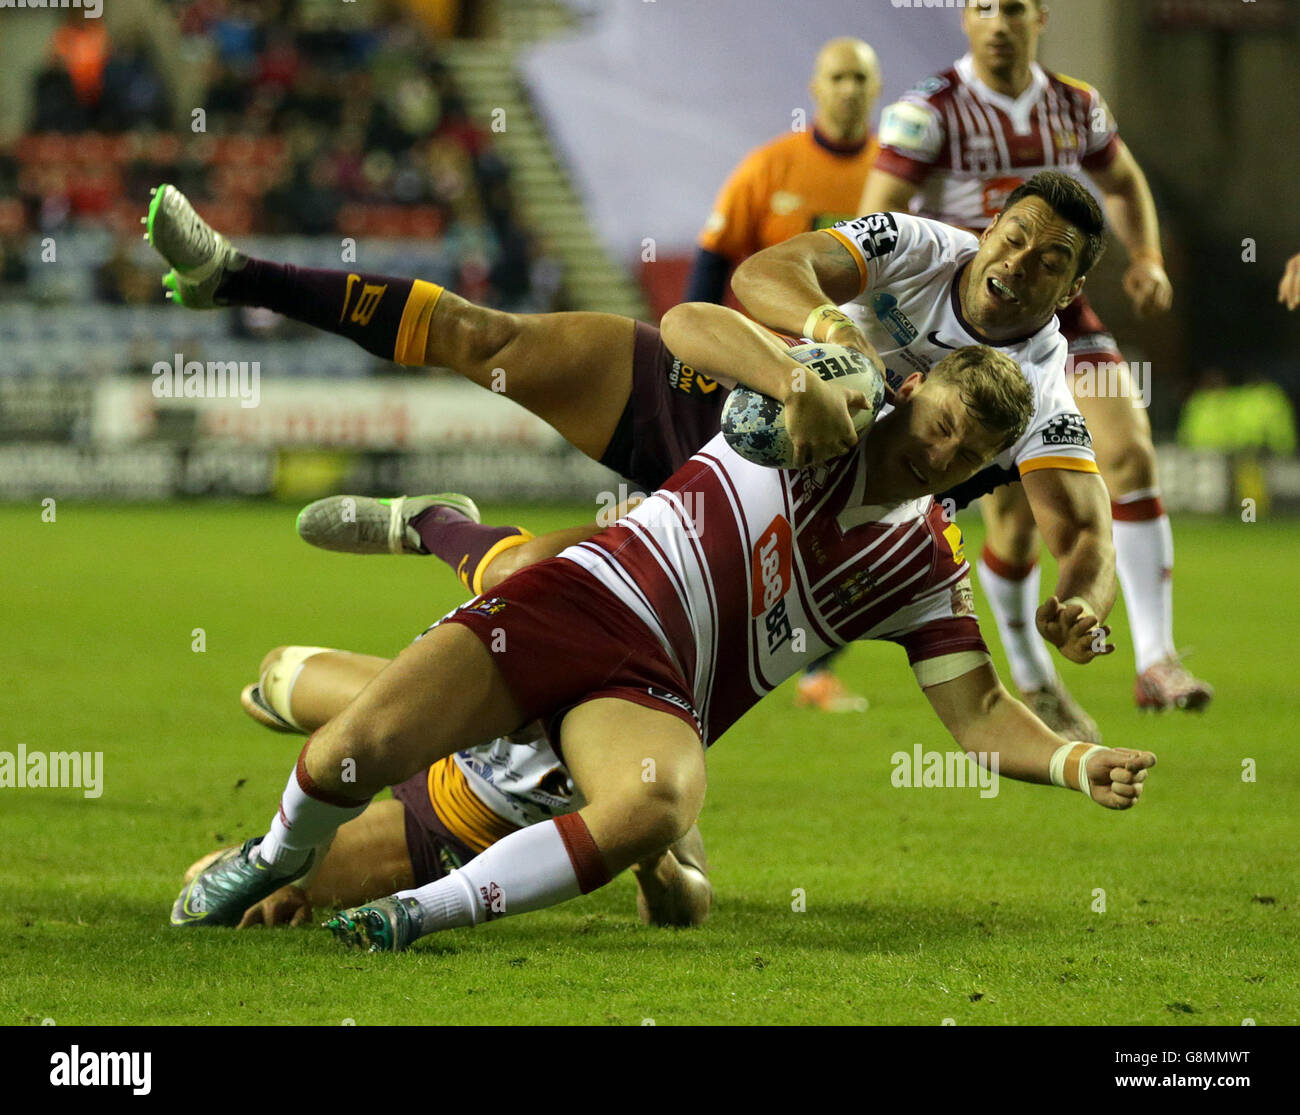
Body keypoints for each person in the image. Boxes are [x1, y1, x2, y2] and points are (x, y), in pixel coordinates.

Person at [173, 343, 1157, 952]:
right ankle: (430, 537)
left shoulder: (922, 569)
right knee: (306, 696)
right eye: (938, 423)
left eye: (968, 451)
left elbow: (980, 714)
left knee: (651, 799)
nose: (938, 455)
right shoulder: (814, 412)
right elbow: (697, 325)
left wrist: (1077, 760)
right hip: (574, 608)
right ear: (913, 390)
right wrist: (789, 367)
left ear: (987, 463)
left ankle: (412, 912)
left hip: (630, 706)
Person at [145, 175, 1116, 674]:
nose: (1020, 261)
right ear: (989, 230)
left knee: (540, 592)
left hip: (781, 524)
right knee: (485, 334)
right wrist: (824, 348)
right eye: (1015, 236)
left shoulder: (1043, 384)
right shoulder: (913, 244)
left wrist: (1084, 602)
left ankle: (437, 524)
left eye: (1049, 261)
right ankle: (234, 275)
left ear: (1072, 288)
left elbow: (1083, 524)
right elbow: (763, 275)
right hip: (727, 401)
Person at [859, 0, 1211, 719]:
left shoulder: (1077, 105)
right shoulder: (927, 111)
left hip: (1059, 315)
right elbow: (875, 219)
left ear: (1038, 18)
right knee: (1016, 519)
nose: (998, 22)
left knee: (1133, 459)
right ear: (965, 19)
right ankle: (1032, 674)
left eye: (1012, 7)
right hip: (967, 325)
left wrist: (1145, 256)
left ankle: (1154, 659)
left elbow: (1123, 182)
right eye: (983, 7)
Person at [187, 643, 711, 932]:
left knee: (225, 888)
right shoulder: (564, 602)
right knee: (277, 669)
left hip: (445, 827)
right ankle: (349, 746)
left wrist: (652, 862)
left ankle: (321, 807)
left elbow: (689, 906)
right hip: (434, 727)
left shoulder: (648, 740)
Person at [685, 36, 883, 713]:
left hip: (862, 379)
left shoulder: (894, 176)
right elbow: (712, 263)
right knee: (738, 518)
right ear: (816, 87)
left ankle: (813, 670)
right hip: (767, 379)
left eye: (861, 77)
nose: (850, 88)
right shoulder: (770, 167)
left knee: (857, 520)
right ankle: (709, 644)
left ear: (875, 89)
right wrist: (703, 353)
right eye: (839, 76)